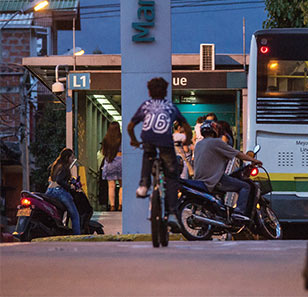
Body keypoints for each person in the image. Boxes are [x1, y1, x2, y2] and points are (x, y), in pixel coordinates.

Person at [127, 77, 192, 226]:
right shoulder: (170, 106)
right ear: (165, 91)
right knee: (172, 176)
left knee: (147, 155)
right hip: (165, 144)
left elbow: (130, 126)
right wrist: (187, 140)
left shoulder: (146, 105)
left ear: (149, 92)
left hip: (148, 140)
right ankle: (172, 213)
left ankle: (144, 185)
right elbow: (186, 126)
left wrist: (134, 140)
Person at [193, 120, 261, 222]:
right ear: (214, 131)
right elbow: (237, 154)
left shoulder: (198, 144)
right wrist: (253, 160)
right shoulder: (216, 142)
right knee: (245, 186)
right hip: (214, 180)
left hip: (200, 180)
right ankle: (239, 213)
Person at [45, 148, 81, 235]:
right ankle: (77, 236)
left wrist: (72, 181)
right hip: (59, 192)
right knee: (75, 215)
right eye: (72, 158)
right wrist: (70, 187)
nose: (72, 160)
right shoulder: (65, 167)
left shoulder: (56, 165)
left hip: (50, 190)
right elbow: (60, 180)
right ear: (67, 158)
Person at [101, 121, 123, 211]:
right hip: (120, 161)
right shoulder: (121, 138)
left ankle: (112, 206)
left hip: (110, 162)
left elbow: (103, 152)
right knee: (122, 185)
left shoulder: (106, 139)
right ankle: (120, 205)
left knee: (111, 186)